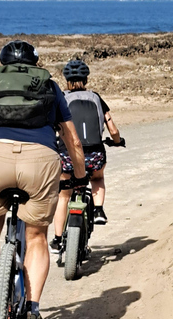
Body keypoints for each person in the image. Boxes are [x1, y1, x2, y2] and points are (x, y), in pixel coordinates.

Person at [0, 40, 86, 319]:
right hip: (40, 162)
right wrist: (79, 176)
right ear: (36, 63)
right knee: (36, 237)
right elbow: (72, 141)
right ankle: (32, 312)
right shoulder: (52, 88)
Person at [49, 59, 124, 253]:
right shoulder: (95, 97)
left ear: (66, 79)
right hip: (94, 153)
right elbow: (112, 127)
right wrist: (117, 140)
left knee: (64, 194)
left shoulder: (61, 98)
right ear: (86, 78)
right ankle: (98, 210)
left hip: (67, 154)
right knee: (97, 177)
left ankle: (57, 239)